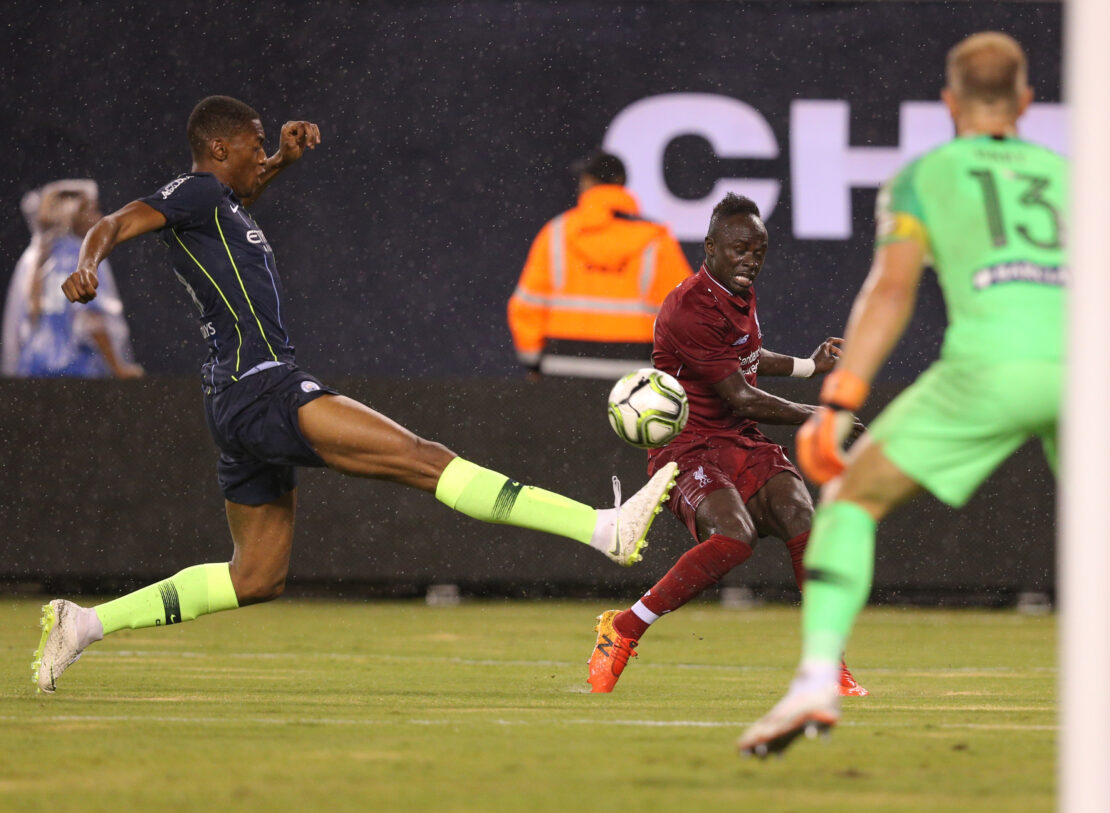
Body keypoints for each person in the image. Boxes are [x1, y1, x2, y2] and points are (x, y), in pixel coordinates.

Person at [32, 95, 679, 694]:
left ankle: (83, 624)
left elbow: (238, 193)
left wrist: (283, 160)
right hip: (261, 384)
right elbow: (115, 222)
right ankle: (603, 530)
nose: (263, 155)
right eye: (255, 145)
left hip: (233, 396)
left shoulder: (219, 206)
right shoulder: (194, 191)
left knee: (254, 576)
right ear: (220, 148)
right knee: (426, 459)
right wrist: (87, 262)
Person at [737, 33, 1110, 774]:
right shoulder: (1071, 175)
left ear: (949, 104)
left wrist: (839, 398)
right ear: (1025, 104)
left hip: (986, 368)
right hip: (1087, 372)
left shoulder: (924, 175)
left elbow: (890, 291)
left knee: (852, 496)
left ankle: (817, 678)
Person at [586, 192, 866, 696]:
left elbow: (748, 357)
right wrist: (819, 417)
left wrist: (808, 366)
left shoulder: (736, 293)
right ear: (710, 247)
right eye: (739, 249)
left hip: (737, 437)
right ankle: (624, 629)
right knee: (735, 539)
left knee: (802, 516)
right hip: (689, 446)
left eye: (758, 251)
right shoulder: (689, 306)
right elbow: (742, 395)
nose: (750, 261)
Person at [507, 150, 692, 380]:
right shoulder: (656, 240)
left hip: (562, 370)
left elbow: (526, 308)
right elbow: (684, 313)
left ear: (587, 182)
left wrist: (532, 362)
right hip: (631, 377)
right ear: (622, 183)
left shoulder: (557, 233)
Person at [2, 180, 141, 378]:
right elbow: (91, 321)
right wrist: (119, 369)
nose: (100, 218)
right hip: (76, 372)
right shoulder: (84, 255)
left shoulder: (31, 257)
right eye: (93, 210)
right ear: (73, 216)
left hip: (32, 370)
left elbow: (16, 330)